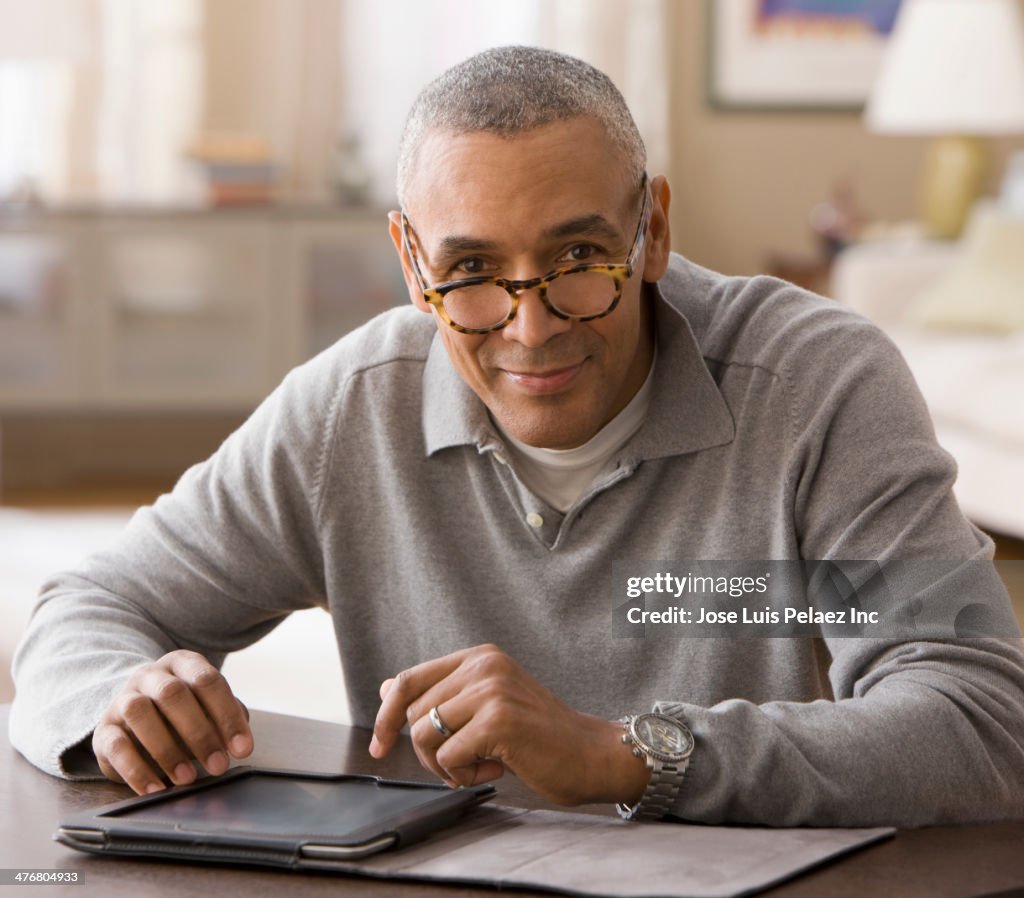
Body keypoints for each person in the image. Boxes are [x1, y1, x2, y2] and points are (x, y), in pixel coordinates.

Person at [10, 46, 1024, 827]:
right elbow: (88, 605)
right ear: (411, 263)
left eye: (580, 255)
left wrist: (628, 753)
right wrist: (120, 694)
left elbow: (982, 726)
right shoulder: (352, 406)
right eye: (472, 272)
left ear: (653, 230)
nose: (531, 327)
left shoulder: (820, 382)